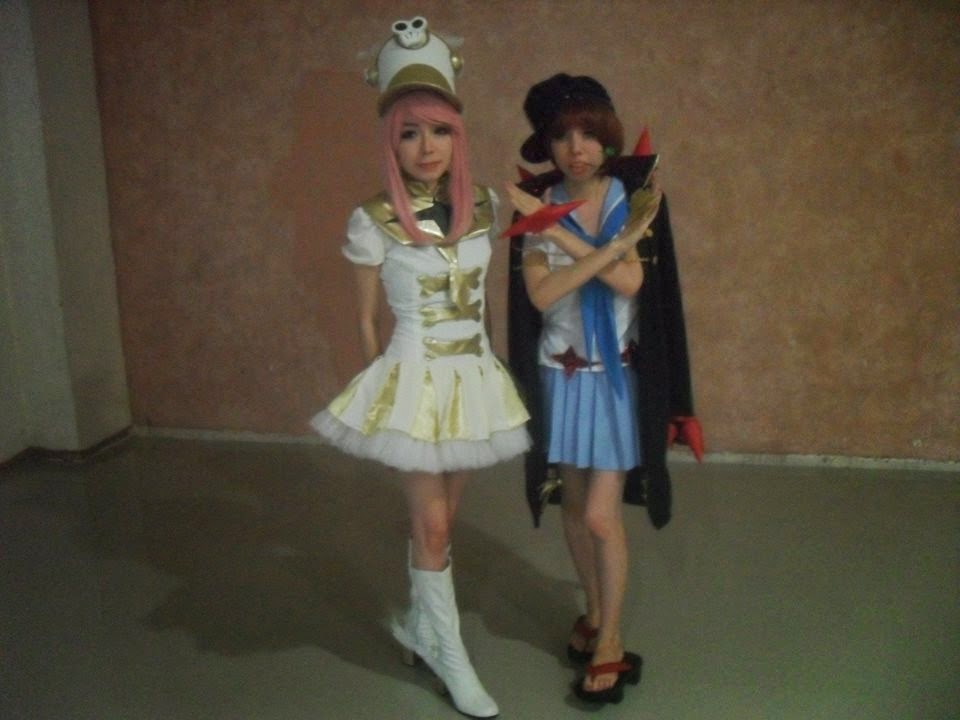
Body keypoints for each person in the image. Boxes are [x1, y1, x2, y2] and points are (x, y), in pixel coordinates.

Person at [311, 17, 529, 719]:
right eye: (410, 133)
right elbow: (366, 322)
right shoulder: (371, 220)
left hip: (474, 380)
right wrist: (383, 399)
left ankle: (416, 625)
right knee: (432, 528)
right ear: (391, 141)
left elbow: (489, 302)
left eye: (439, 131)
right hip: (413, 381)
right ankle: (451, 655)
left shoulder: (485, 206)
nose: (427, 147)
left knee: (442, 524)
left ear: (458, 137)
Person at [504, 73, 701, 705]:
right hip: (560, 377)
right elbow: (541, 295)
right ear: (546, 144)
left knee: (599, 514)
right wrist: (606, 249)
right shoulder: (537, 202)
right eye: (562, 136)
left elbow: (631, 284)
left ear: (607, 137)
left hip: (616, 378)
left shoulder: (630, 199)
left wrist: (559, 234)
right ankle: (594, 613)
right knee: (571, 507)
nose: (577, 148)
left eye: (589, 133)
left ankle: (611, 639)